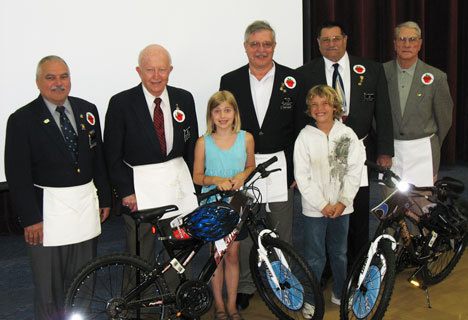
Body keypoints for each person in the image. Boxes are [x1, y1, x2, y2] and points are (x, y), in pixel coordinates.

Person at [4, 55, 111, 320]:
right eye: (51, 77)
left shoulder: (88, 110)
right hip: (47, 214)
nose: (58, 83)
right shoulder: (22, 119)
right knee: (49, 287)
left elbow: (98, 159)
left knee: (84, 279)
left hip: (85, 206)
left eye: (64, 76)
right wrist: (31, 219)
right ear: (38, 81)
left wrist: (106, 198)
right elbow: (17, 174)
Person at [219, 20, 306, 310]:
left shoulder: (292, 79)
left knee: (282, 231)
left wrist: (295, 171)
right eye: (254, 44)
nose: (261, 50)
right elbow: (226, 129)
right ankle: (244, 286)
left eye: (266, 44)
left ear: (274, 47)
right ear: (245, 47)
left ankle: (284, 283)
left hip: (280, 164)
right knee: (242, 231)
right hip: (244, 167)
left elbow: (299, 130)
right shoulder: (229, 81)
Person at [297, 21, 394, 266]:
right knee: (324, 211)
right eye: (325, 40)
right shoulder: (304, 73)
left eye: (336, 39)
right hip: (319, 153)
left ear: (345, 40)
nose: (331, 44)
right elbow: (298, 120)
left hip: (356, 153)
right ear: (318, 43)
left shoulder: (371, 69)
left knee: (357, 212)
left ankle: (356, 265)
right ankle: (328, 268)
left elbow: (382, 112)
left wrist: (384, 151)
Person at [104, 44, 199, 267]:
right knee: (139, 255)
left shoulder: (184, 99)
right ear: (139, 71)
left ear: (170, 70)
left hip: (178, 189)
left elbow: (191, 146)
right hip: (140, 194)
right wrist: (127, 192)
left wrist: (194, 187)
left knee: (179, 251)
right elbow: (112, 155)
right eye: (149, 70)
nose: (156, 76)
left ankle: (175, 299)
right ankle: (137, 301)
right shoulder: (121, 104)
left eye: (162, 70)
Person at [294, 85, 365, 312]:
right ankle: (312, 300)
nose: (319, 108)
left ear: (335, 107)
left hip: (342, 208)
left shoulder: (347, 135)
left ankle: (340, 292)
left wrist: (343, 201)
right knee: (314, 256)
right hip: (315, 210)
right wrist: (323, 204)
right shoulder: (304, 137)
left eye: (325, 103)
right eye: (314, 104)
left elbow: (355, 171)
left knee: (340, 253)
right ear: (309, 109)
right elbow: (302, 177)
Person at [193, 90, 255, 320]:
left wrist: (242, 175)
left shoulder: (246, 138)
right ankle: (218, 305)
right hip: (213, 206)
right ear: (210, 114)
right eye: (217, 111)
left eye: (227, 110)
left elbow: (251, 166)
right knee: (217, 256)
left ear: (235, 113)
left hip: (237, 205)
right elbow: (197, 176)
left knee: (233, 256)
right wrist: (216, 181)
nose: (222, 115)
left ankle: (231, 305)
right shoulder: (203, 142)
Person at [383, 21, 453, 186]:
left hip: (423, 153)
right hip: (390, 152)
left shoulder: (437, 77)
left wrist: (430, 143)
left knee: (422, 206)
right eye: (402, 39)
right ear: (395, 44)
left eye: (412, 39)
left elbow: (444, 119)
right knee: (391, 205)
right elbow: (374, 114)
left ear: (420, 44)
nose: (407, 44)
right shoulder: (381, 73)